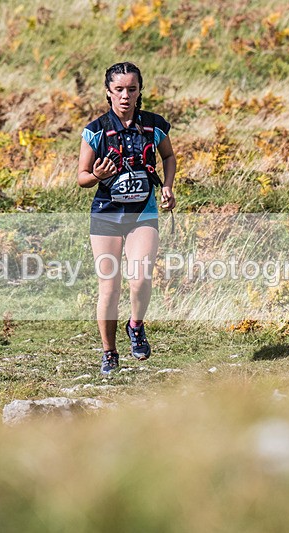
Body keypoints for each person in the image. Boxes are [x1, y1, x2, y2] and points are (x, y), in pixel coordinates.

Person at [77, 62, 176, 374]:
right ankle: (109, 352)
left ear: (139, 91)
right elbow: (81, 177)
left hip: (143, 214)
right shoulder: (95, 131)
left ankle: (136, 325)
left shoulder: (154, 126)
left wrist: (169, 186)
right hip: (106, 216)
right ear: (108, 92)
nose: (125, 95)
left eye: (131, 89)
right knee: (109, 288)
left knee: (141, 278)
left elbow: (168, 156)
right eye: (118, 89)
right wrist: (96, 175)